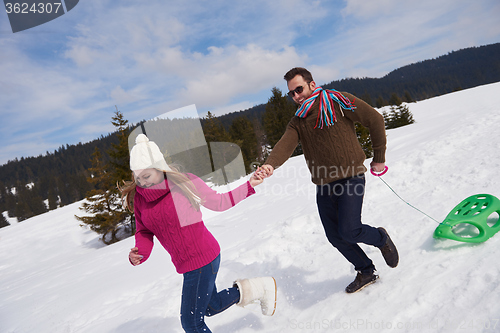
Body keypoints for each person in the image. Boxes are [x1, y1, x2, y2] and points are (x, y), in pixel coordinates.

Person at [119, 133, 277, 333]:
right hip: (187, 263)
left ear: (160, 168)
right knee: (212, 305)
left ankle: (259, 288)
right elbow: (144, 231)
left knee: (192, 323)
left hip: (203, 259)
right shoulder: (140, 199)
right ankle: (258, 288)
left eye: (147, 176)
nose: (143, 182)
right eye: (138, 177)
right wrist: (140, 252)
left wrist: (249, 185)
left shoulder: (184, 183)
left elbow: (219, 202)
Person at [261, 67, 398, 293]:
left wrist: (379, 157)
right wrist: (270, 164)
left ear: (312, 85)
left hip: (351, 176)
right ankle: (366, 270)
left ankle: (381, 237)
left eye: (299, 89)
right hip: (324, 184)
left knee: (350, 230)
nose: (296, 96)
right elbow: (285, 144)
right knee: (335, 236)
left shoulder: (338, 101)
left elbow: (374, 119)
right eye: (291, 93)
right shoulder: (298, 120)